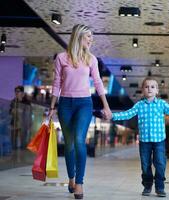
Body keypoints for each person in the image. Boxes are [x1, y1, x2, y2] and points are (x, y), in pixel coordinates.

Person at [48, 24, 112, 199]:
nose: (91, 40)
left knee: (78, 140)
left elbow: (98, 83)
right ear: (78, 37)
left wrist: (106, 106)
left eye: (92, 37)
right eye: (88, 36)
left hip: (84, 103)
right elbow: (56, 83)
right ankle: (71, 177)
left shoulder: (92, 59)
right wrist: (52, 106)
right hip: (65, 104)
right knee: (68, 145)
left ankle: (80, 183)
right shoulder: (61, 58)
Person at [109, 77, 169, 197]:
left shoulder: (162, 104)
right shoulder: (139, 105)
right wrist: (112, 116)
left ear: (157, 91)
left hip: (159, 141)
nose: (149, 89)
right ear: (143, 90)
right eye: (146, 87)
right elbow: (127, 114)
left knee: (160, 163)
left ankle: (160, 187)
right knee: (145, 165)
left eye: (152, 87)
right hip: (144, 141)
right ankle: (147, 185)